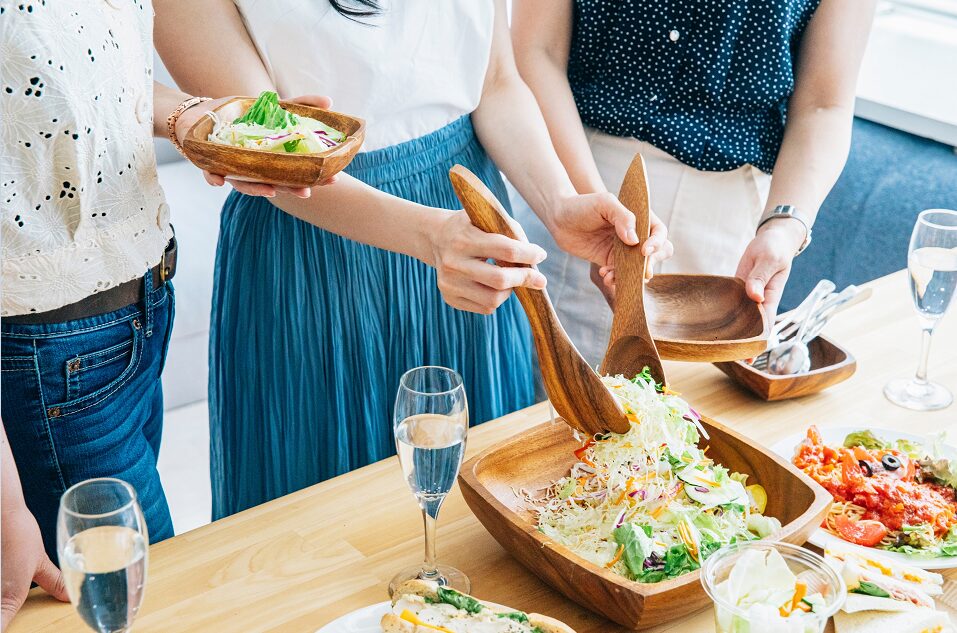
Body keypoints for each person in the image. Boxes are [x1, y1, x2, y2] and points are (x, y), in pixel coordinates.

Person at [154, 0, 671, 520]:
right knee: (321, 529)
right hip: (313, 250)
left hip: (471, 219)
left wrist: (560, 205)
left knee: (493, 517)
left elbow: (495, 83)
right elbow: (265, 151)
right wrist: (431, 236)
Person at [510, 0, 877, 366]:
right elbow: (535, 51)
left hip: (731, 224)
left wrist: (784, 226)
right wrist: (590, 202)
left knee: (693, 413)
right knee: (562, 401)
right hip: (581, 183)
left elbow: (825, 104)